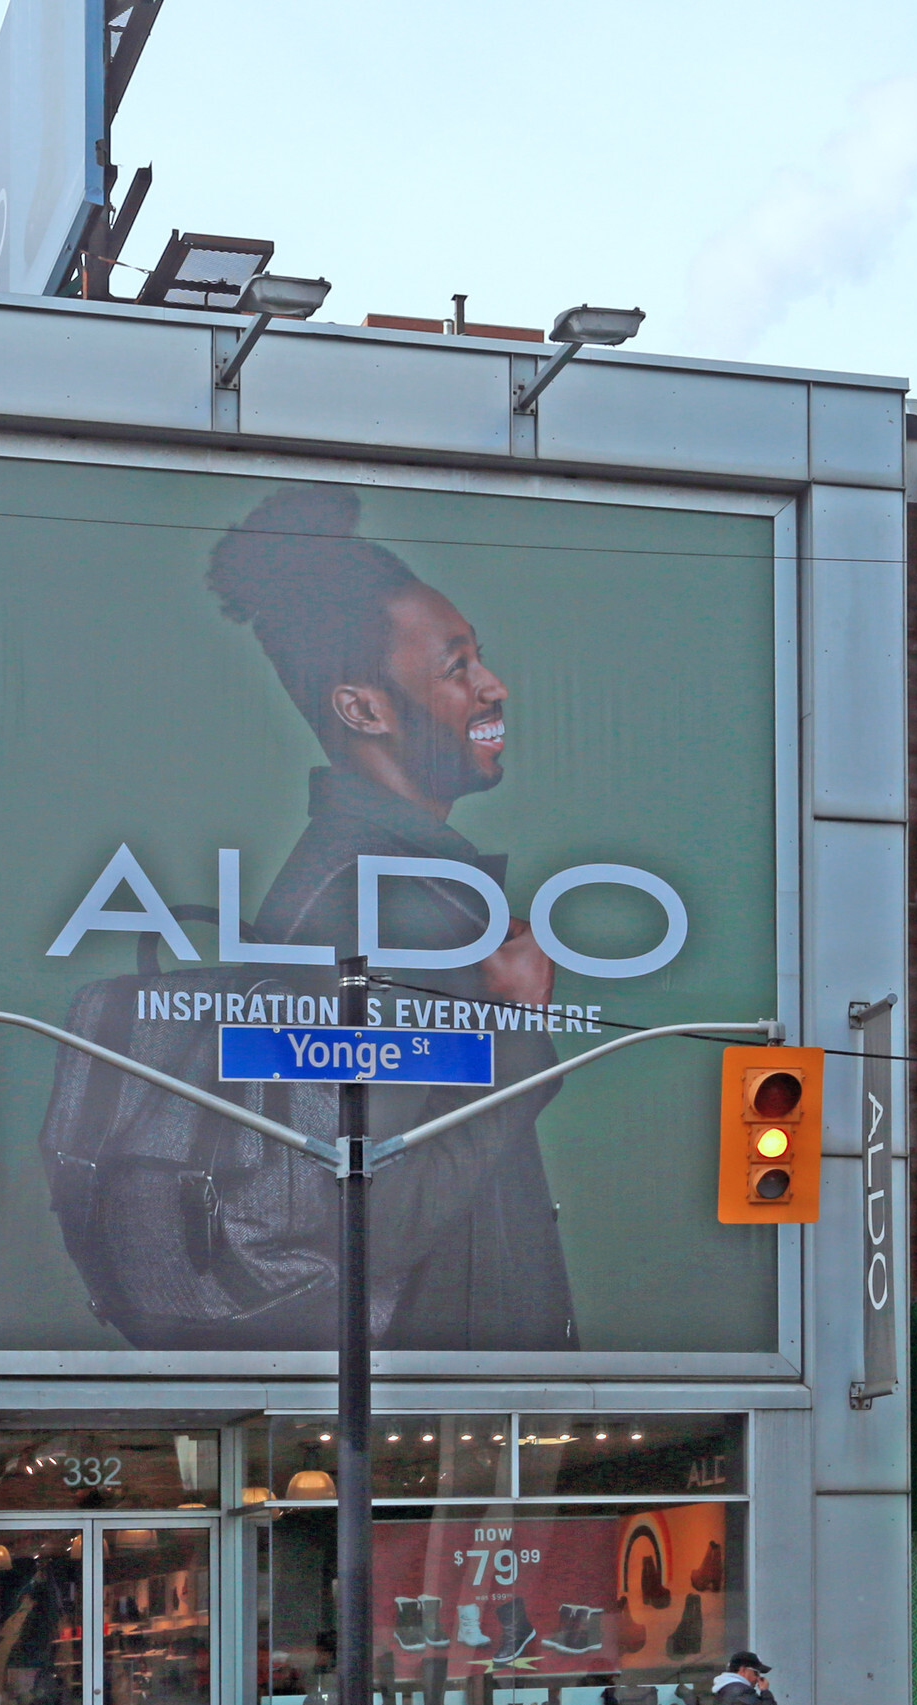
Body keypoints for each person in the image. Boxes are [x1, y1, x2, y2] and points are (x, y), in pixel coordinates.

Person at [207, 483, 575, 1348]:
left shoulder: (416, 886)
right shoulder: (353, 905)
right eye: (456, 667)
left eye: (478, 657)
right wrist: (518, 1027)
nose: (495, 686)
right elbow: (367, 1210)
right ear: (361, 707)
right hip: (438, 1419)